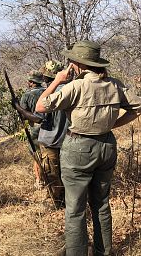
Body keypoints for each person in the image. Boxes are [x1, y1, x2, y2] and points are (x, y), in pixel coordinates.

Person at [35, 40, 141, 256]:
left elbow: (40, 106)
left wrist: (56, 81)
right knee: (101, 203)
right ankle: (104, 252)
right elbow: (137, 107)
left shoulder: (76, 86)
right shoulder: (115, 84)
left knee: (75, 208)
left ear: (77, 64)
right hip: (107, 145)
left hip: (79, 147)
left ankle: (77, 253)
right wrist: (112, 124)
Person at [14, 60, 68, 207]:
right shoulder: (71, 89)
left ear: (45, 77)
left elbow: (37, 118)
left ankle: (58, 204)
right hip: (69, 141)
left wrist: (18, 107)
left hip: (53, 140)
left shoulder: (51, 94)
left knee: (52, 175)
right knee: (66, 174)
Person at [19, 69, 44, 188]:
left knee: (37, 155)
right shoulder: (47, 91)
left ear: (31, 82)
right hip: (51, 128)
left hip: (35, 129)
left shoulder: (27, 95)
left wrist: (18, 107)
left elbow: (23, 115)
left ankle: (39, 180)